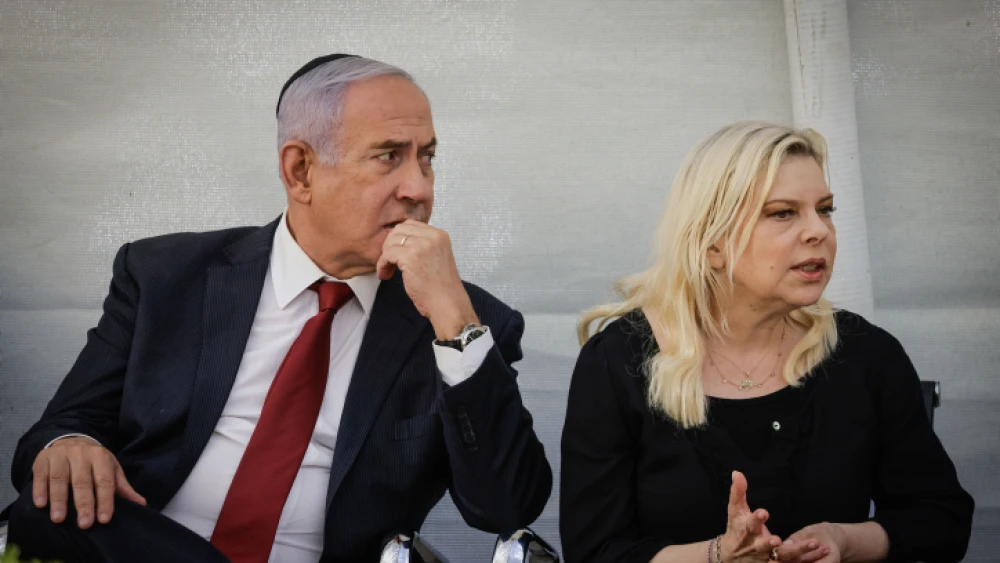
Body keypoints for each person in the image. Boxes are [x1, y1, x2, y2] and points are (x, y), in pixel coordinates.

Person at [7, 54, 552, 563]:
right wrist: (70, 443)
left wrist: (454, 322)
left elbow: (505, 508)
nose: (419, 188)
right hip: (145, 541)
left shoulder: (466, 322)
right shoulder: (164, 274)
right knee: (42, 511)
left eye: (427, 159)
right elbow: (60, 427)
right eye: (389, 156)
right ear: (300, 171)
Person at [559, 122, 973, 563]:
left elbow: (940, 519)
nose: (819, 231)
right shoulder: (618, 364)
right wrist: (718, 556)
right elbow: (596, 551)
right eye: (783, 213)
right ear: (712, 242)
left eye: (826, 209)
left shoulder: (866, 355)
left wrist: (843, 540)